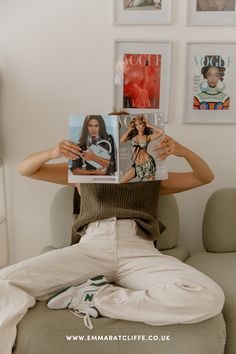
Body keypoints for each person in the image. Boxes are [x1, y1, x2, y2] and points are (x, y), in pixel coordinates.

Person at [0, 114, 225, 354]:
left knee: (209, 296)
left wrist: (183, 151)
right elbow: (26, 170)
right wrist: (51, 153)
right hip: (91, 247)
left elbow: (205, 177)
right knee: (4, 281)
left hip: (138, 248)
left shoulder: (151, 175)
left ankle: (95, 297)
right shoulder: (81, 173)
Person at [120, 114, 164, 182]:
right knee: (122, 181)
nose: (139, 127)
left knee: (150, 187)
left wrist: (149, 125)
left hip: (148, 163)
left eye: (140, 124)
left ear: (144, 124)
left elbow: (161, 132)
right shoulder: (132, 136)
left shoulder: (148, 137)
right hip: (137, 165)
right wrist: (129, 129)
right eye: (136, 125)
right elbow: (121, 141)